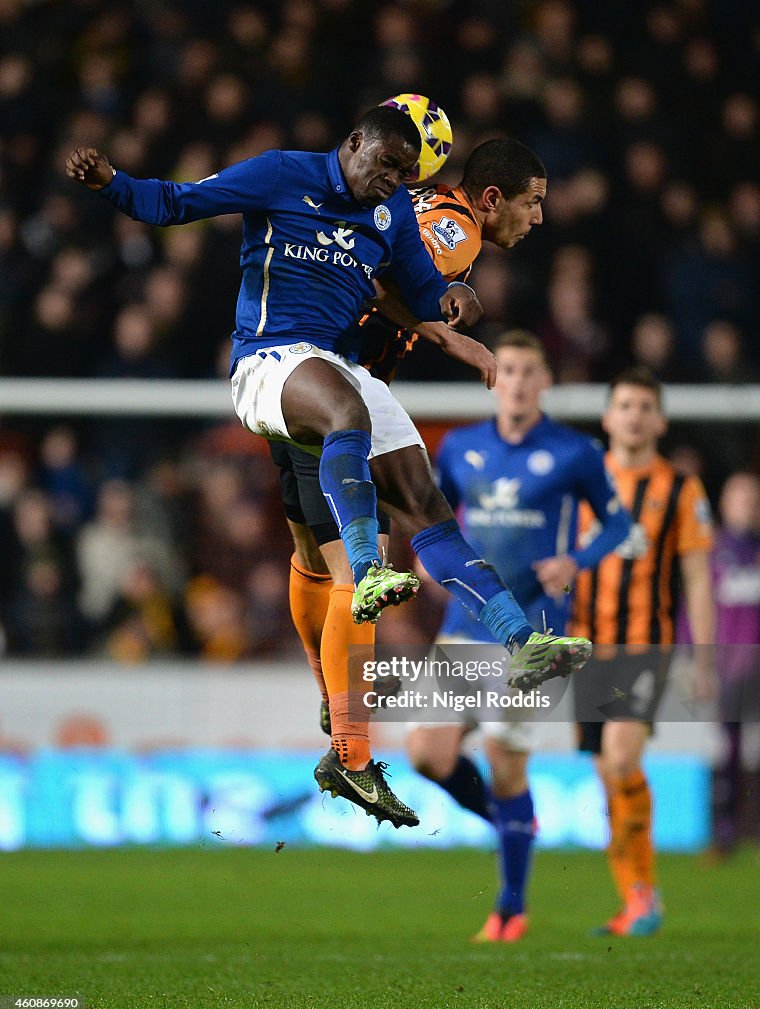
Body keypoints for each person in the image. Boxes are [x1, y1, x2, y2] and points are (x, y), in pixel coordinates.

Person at [66, 113, 590, 829]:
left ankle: (517, 644)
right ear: (353, 144)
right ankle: (352, 706)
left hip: (339, 376)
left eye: (407, 174)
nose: (395, 184)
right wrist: (111, 184)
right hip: (275, 362)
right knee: (346, 539)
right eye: (388, 167)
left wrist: (449, 308)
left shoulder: (394, 209)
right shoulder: (286, 173)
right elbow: (177, 203)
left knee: (412, 511)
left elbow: (404, 285)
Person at [405, 330, 631, 942]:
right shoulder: (459, 446)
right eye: (508, 369)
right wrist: (425, 561)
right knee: (427, 753)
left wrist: (576, 563)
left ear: (547, 382)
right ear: (493, 377)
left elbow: (618, 525)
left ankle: (510, 907)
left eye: (531, 371)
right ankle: (512, 824)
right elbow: (433, 515)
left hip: (535, 634)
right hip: (464, 626)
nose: (519, 381)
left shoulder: (574, 452)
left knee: (507, 764)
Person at [572, 366, 715, 936]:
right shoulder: (580, 480)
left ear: (659, 419)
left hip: (643, 647)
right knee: (609, 773)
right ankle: (635, 897)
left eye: (643, 406)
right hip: (583, 646)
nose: (633, 416)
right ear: (608, 417)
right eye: (624, 406)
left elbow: (699, 579)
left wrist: (703, 660)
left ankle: (644, 897)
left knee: (623, 758)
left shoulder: (681, 489)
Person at [709, 472, 760, 856]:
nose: (746, 506)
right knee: (729, 749)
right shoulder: (713, 551)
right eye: (740, 498)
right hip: (729, 666)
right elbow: (697, 611)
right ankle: (725, 832)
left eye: (752, 499)